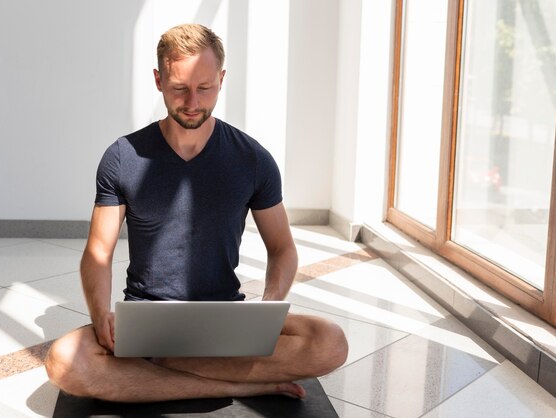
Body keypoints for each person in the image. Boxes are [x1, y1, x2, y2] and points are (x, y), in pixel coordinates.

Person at [45, 23, 348, 402]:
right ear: (158, 80)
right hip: (146, 321)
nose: (192, 102)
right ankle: (230, 384)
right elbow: (98, 252)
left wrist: (268, 310)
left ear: (221, 79)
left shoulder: (253, 159)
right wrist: (100, 313)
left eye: (205, 88)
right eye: (179, 89)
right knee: (62, 361)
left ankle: (161, 370)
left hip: (226, 321)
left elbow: (283, 248)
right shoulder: (122, 157)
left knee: (330, 342)